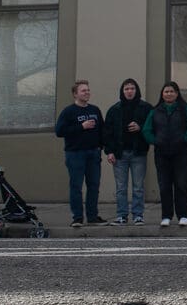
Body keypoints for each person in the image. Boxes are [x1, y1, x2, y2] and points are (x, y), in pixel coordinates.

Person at [143, 81, 187, 227]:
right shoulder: (155, 111)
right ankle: (166, 216)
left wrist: (185, 138)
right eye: (166, 92)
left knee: (181, 184)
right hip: (161, 154)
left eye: (172, 91)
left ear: (177, 93)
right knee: (164, 185)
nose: (169, 94)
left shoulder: (184, 109)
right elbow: (146, 130)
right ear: (162, 94)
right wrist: (154, 141)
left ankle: (183, 215)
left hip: (181, 152)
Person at [55, 79, 106, 227]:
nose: (87, 93)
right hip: (75, 154)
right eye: (83, 91)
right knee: (76, 186)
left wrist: (102, 147)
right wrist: (81, 126)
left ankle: (92, 216)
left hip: (93, 153)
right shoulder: (68, 112)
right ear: (75, 94)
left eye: (88, 90)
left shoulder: (95, 110)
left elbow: (102, 130)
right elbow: (59, 131)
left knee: (94, 185)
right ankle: (77, 217)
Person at [103, 78, 153, 226]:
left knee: (138, 187)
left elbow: (153, 127)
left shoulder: (146, 108)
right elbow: (107, 133)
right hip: (119, 154)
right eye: (126, 89)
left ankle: (138, 215)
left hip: (139, 152)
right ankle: (121, 216)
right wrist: (109, 152)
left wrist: (140, 127)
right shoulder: (114, 110)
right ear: (122, 91)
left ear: (136, 90)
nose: (129, 91)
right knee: (121, 188)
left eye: (132, 88)